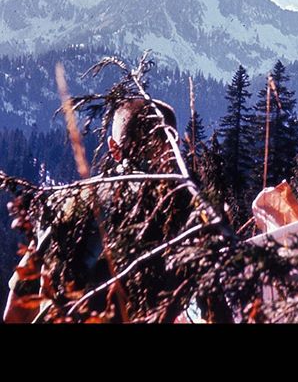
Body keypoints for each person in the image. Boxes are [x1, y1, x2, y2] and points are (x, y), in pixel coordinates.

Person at [3, 97, 182, 323]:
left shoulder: (64, 202)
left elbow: (17, 308)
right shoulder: (186, 216)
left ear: (114, 149)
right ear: (173, 148)